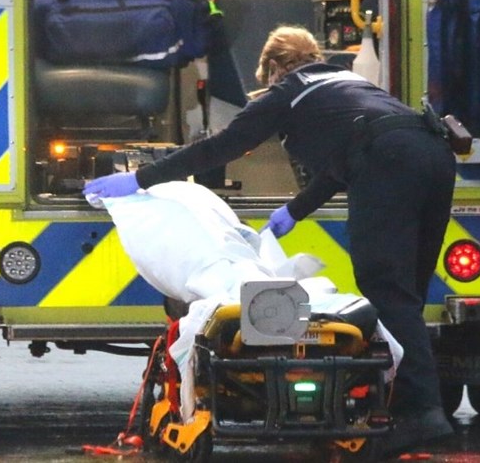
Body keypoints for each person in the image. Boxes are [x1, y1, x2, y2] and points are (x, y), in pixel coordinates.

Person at [84, 25, 457, 456]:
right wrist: (294, 211)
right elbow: (345, 158)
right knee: (406, 292)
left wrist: (140, 177)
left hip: (388, 162)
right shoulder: (348, 82)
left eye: (266, 77)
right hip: (432, 155)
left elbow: (221, 148)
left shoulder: (288, 92)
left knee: (386, 287)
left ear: (276, 67)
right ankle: (415, 406)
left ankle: (421, 414)